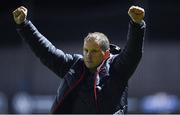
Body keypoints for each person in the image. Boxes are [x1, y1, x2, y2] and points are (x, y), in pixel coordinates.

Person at [12, 5, 146, 114]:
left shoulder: (117, 68)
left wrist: (137, 25)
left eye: (94, 51)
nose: (88, 55)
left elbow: (133, 53)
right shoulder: (74, 65)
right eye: (86, 50)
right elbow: (46, 51)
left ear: (105, 54)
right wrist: (24, 25)